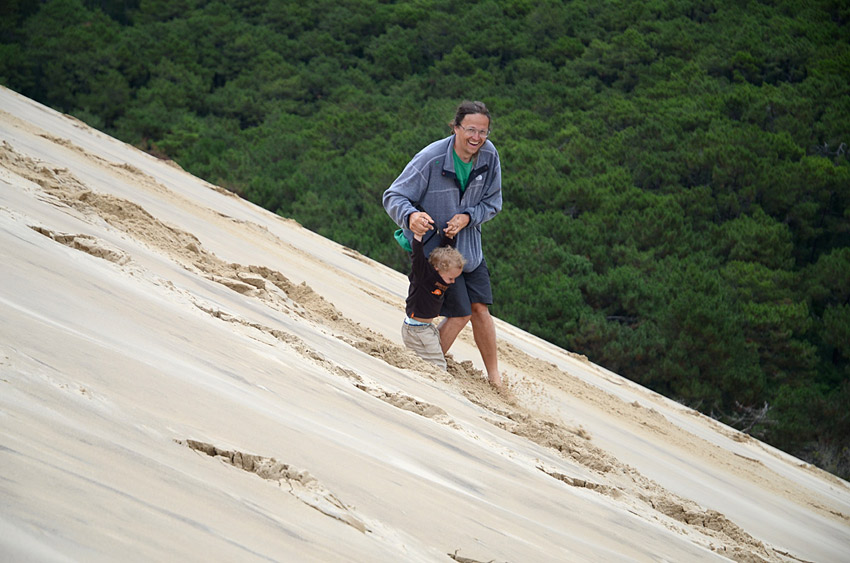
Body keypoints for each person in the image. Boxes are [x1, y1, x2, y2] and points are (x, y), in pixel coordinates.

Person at [383, 100, 503, 387]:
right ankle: (426, 367)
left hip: (470, 248)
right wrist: (410, 216)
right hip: (438, 254)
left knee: (481, 309)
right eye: (470, 129)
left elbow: (493, 202)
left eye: (483, 131)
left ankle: (495, 379)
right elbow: (393, 196)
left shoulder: (489, 155)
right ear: (456, 127)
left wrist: (468, 217)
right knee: (461, 313)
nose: (476, 137)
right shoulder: (431, 158)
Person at [402, 231, 465, 371]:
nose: (453, 282)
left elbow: (444, 253)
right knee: (439, 364)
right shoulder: (423, 276)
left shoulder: (441, 273)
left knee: (428, 359)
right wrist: (418, 237)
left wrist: (449, 237)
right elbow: (417, 257)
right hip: (416, 330)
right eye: (450, 278)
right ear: (437, 269)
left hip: (426, 328)